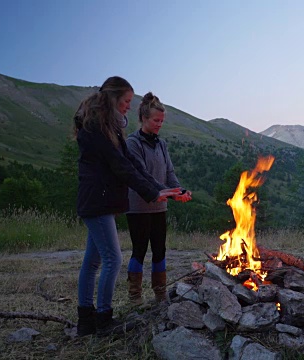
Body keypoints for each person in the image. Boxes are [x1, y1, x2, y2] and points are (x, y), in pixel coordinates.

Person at [73, 77, 180, 337]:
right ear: (112, 99)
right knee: (113, 258)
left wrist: (158, 190)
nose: (128, 107)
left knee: (94, 260)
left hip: (101, 200)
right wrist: (152, 193)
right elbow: (120, 166)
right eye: (126, 102)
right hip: (96, 200)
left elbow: (131, 163)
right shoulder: (96, 127)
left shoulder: (109, 126)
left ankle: (86, 320)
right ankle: (103, 318)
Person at [125, 92, 192, 305]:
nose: (159, 125)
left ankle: (160, 294)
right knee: (139, 250)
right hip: (138, 206)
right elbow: (143, 175)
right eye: (156, 120)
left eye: (162, 121)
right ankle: (135, 297)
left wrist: (179, 190)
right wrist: (170, 194)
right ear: (144, 119)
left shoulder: (161, 144)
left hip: (159, 208)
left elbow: (169, 172)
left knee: (160, 250)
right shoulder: (133, 143)